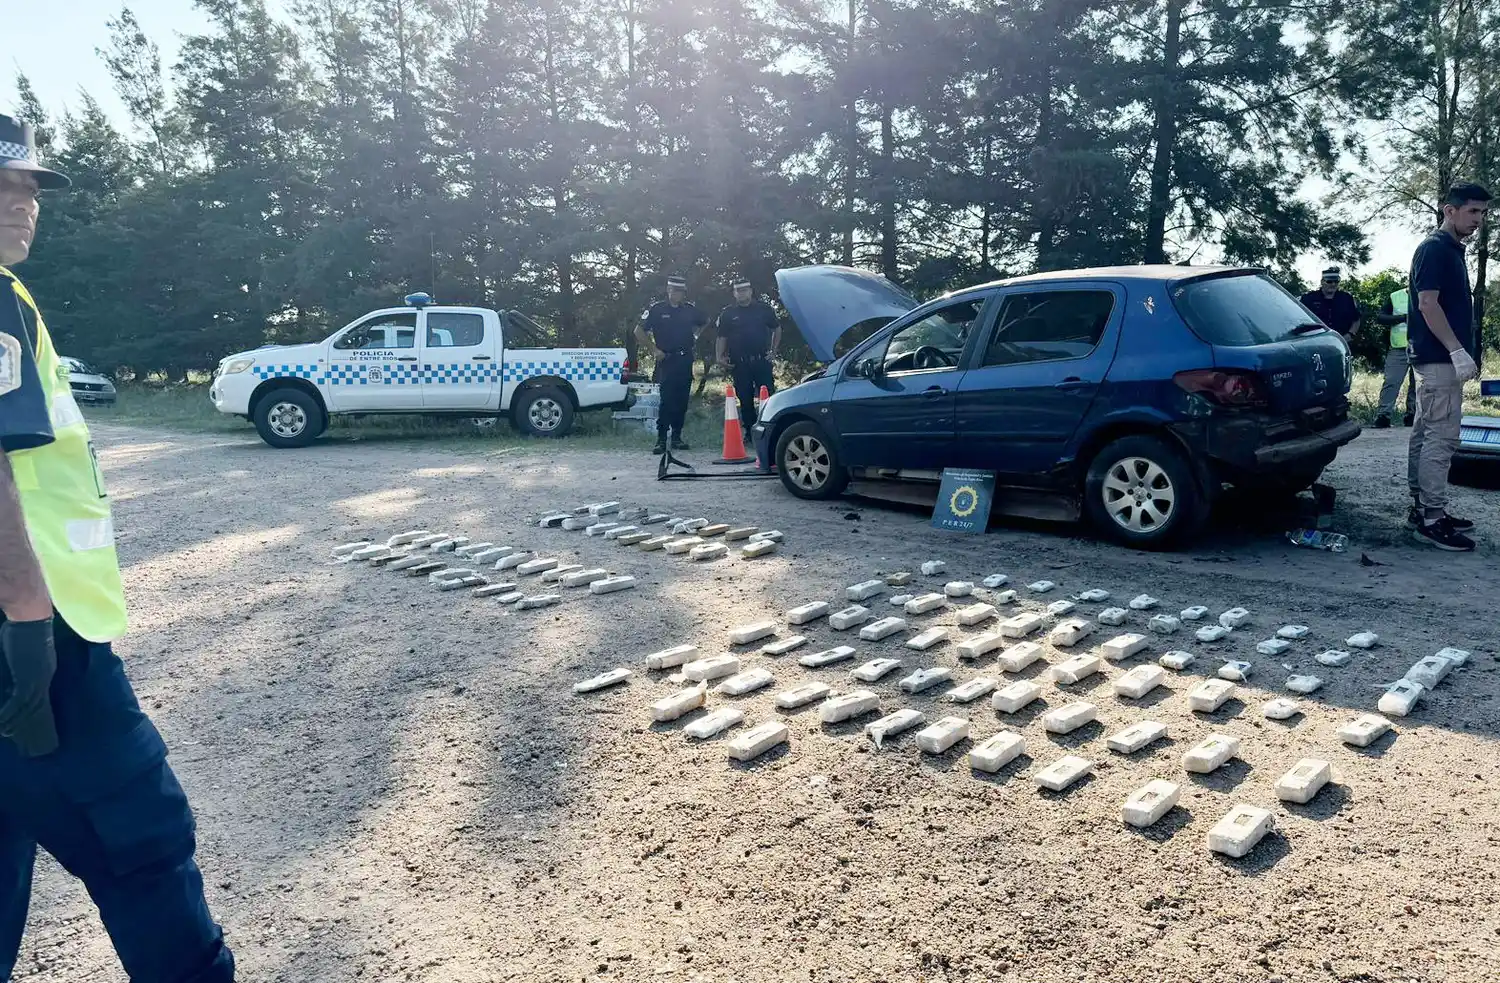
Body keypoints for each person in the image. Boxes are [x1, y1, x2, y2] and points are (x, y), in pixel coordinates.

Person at [0, 114, 235, 982]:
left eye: (29, 185)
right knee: (145, 843)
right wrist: (27, 625)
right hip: (43, 646)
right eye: (3, 185)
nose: (24, 203)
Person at [1406, 182, 1490, 551]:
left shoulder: (1451, 251)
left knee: (1425, 434)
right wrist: (1457, 351)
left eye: (1484, 213)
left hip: (1437, 358)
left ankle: (1423, 509)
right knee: (1442, 438)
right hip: (1439, 359)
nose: (1479, 220)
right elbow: (1428, 304)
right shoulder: (1435, 249)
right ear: (1448, 210)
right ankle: (1432, 519)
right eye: (1472, 211)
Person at [635, 275, 706, 455]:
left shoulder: (689, 310)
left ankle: (676, 437)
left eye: (681, 292)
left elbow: (705, 321)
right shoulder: (657, 310)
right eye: (675, 291)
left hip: (685, 359)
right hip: (666, 360)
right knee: (667, 400)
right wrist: (653, 349)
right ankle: (661, 439)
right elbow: (638, 330)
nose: (678, 294)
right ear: (668, 291)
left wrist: (696, 335)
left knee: (681, 400)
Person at [714, 278, 780, 435]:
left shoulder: (764, 309)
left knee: (767, 396)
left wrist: (774, 350)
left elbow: (777, 328)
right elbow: (721, 337)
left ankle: (771, 431)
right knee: (744, 398)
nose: (741, 293)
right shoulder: (728, 313)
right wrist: (719, 357)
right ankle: (750, 433)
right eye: (738, 291)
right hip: (740, 363)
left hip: (761, 360)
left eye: (744, 290)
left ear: (750, 291)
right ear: (734, 294)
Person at [1373, 286, 1415, 428]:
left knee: (1418, 384)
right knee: (1391, 381)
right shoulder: (1395, 296)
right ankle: (1383, 415)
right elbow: (1380, 317)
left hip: (1422, 346)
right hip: (1398, 348)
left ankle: (1412, 415)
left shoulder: (1430, 294)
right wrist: (1402, 318)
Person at [1299, 267, 1361, 338]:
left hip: (1341, 341)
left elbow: (1356, 319)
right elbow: (1299, 319)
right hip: (1315, 340)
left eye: (1336, 281)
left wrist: (1350, 334)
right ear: (1322, 282)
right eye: (1329, 282)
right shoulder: (1309, 298)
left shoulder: (1347, 298)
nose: (1333, 284)